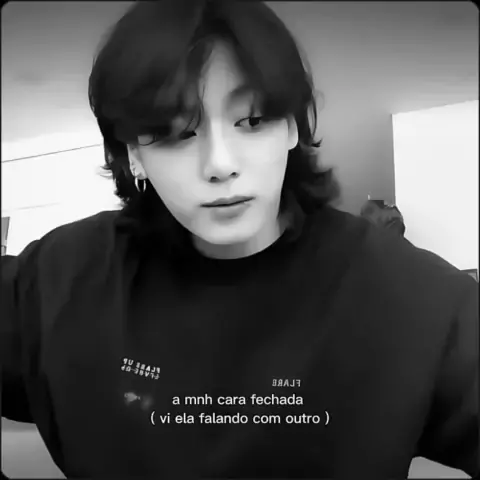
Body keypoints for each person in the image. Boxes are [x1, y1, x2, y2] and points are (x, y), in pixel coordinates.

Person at [1, 1, 478, 478]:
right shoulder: (58, 279)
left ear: (291, 127)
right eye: (175, 133)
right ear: (133, 155)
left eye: (252, 121)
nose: (220, 164)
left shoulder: (411, 295)